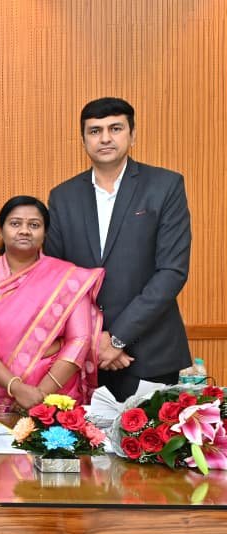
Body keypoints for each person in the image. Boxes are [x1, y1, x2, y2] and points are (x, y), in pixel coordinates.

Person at [46, 97, 192, 402]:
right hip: (83, 357)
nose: (105, 138)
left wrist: (117, 338)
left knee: (150, 434)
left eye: (115, 128)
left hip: (151, 353)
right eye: (95, 131)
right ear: (83, 140)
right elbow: (57, 278)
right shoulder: (63, 197)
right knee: (82, 435)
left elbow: (171, 272)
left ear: (132, 135)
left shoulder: (165, 186)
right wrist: (93, 339)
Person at [0, 196, 104, 412]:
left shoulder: (69, 278)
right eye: (15, 223)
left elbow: (80, 340)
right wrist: (16, 387)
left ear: (45, 233)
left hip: (54, 392)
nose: (25, 231)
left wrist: (40, 394)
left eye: (34, 225)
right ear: (0, 231)